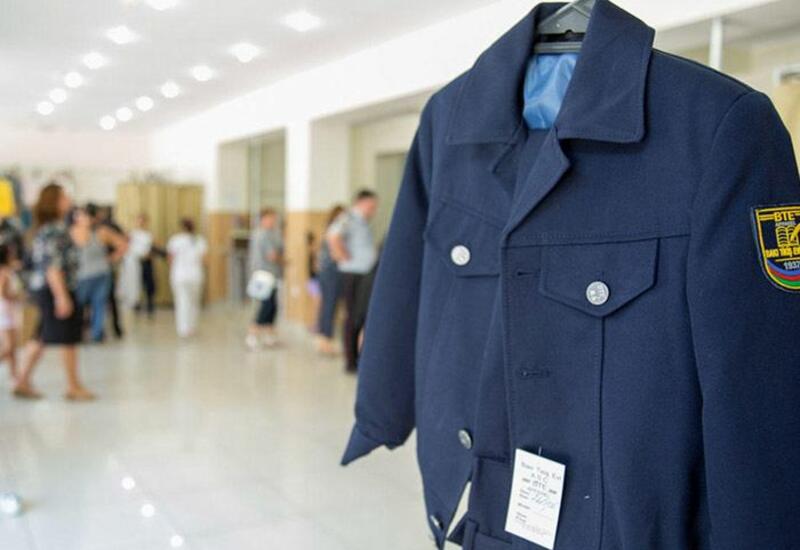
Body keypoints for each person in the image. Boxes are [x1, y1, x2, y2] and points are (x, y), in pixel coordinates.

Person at [13, 183, 94, 401]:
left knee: (41, 336)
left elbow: (81, 243)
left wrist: (83, 225)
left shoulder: (52, 228)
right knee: (68, 337)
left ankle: (22, 381)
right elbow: (52, 266)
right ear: (55, 202)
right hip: (55, 288)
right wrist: (62, 297)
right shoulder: (54, 230)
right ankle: (73, 386)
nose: (69, 200)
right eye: (64, 197)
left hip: (49, 288)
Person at [327, 190, 379, 371]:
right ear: (360, 202)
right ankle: (350, 360)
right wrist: (343, 256)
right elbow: (332, 235)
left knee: (361, 315)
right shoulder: (348, 217)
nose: (374, 210)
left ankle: (357, 357)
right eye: (371, 206)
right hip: (353, 274)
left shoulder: (362, 221)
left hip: (364, 273)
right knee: (352, 316)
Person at [75, 204, 127, 343]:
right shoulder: (73, 231)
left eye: (82, 215)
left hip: (100, 275)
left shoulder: (102, 232)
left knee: (98, 305)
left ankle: (96, 334)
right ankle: (80, 332)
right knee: (81, 305)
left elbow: (123, 244)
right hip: (81, 276)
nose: (79, 218)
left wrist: (112, 259)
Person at [246, 208, 284, 350]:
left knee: (273, 306)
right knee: (265, 306)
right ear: (263, 219)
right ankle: (252, 335)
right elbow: (272, 255)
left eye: (274, 218)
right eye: (270, 218)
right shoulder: (261, 235)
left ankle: (269, 336)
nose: (273, 221)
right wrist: (284, 260)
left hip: (272, 275)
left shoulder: (273, 233)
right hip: (263, 275)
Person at [167, 219, 207, 338]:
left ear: (181, 227)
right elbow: (205, 260)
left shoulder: (175, 240)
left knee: (182, 302)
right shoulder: (200, 240)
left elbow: (170, 259)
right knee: (194, 302)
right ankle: (192, 327)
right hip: (195, 275)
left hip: (179, 276)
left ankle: (183, 329)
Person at [315, 205, 345, 356]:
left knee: (326, 306)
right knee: (329, 306)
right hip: (331, 273)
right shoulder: (334, 231)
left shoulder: (330, 231)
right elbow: (336, 255)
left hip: (326, 273)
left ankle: (323, 340)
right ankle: (326, 341)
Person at [0, 244, 22, 382]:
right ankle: (15, 376)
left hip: (10, 311)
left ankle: (15, 376)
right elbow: (2, 292)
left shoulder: (9, 269)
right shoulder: (3, 271)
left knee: (13, 347)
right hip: (5, 312)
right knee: (8, 347)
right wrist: (17, 296)